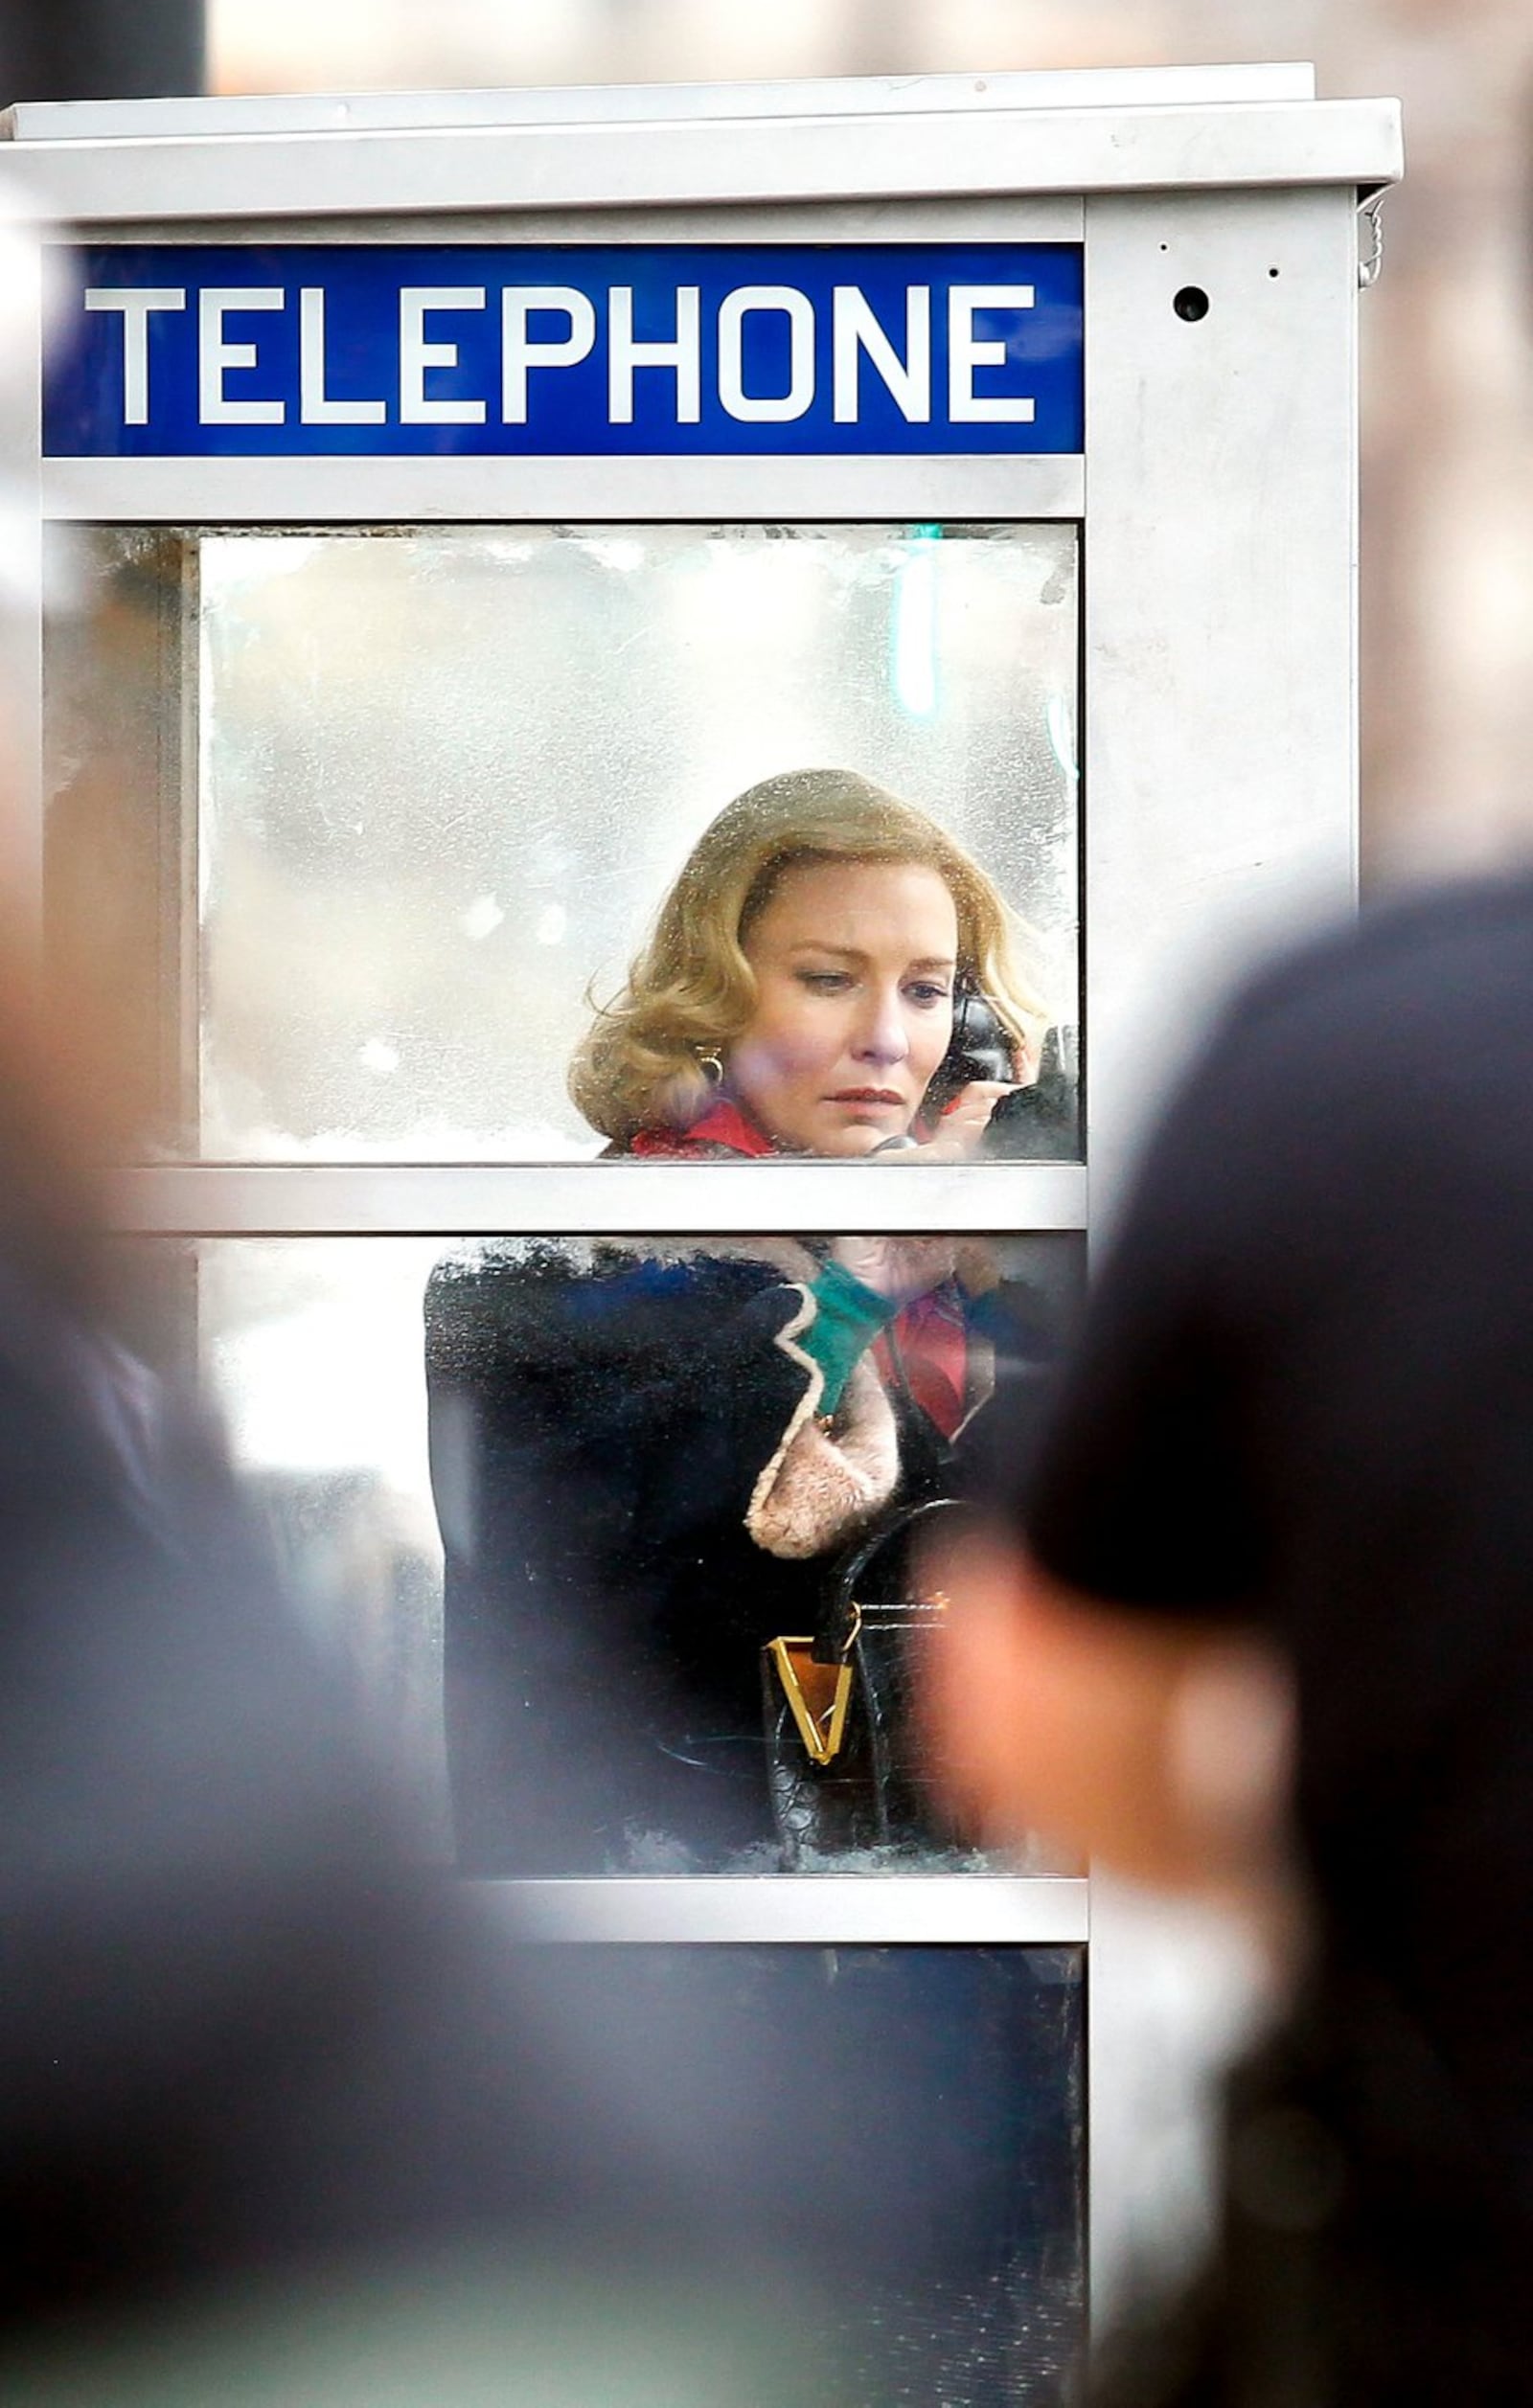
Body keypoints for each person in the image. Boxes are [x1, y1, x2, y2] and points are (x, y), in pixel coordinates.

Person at [925, 871, 1533, 2407]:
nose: (901, 1042)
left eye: (939, 992)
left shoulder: (1369, 1045)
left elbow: (1034, 1703)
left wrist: (1342, 1899)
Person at [426, 768, 1067, 1873]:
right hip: (689, 1919)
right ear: (715, 1000)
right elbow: (660, 1568)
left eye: (927, 991)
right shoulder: (577, 1258)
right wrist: (866, 1284)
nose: (884, 1038)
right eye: (827, 979)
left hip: (970, 1938)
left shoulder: (978, 1264)